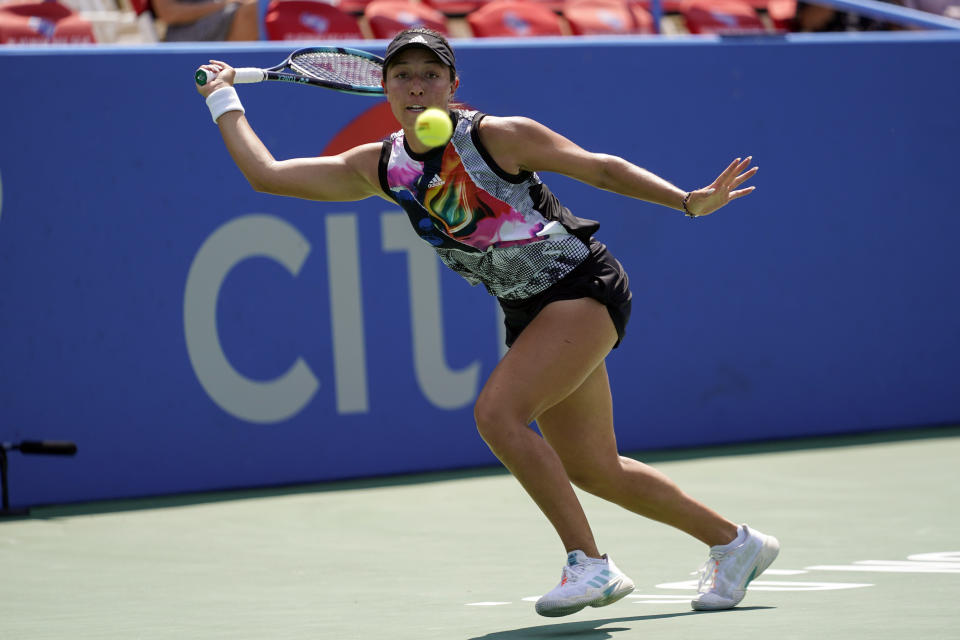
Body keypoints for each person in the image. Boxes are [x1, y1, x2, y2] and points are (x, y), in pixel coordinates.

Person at [195, 28, 780, 617]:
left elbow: (598, 168)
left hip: (580, 287)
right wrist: (225, 100)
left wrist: (685, 199)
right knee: (594, 467)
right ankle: (736, 544)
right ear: (385, 87)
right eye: (403, 75)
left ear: (453, 85)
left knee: (498, 414)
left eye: (431, 75)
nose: (417, 87)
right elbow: (267, 175)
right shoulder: (379, 166)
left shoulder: (499, 136)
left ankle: (589, 563)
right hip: (527, 310)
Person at [152, 0, 259, 42]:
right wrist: (224, 4)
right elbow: (169, 13)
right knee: (253, 12)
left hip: (218, 17)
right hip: (184, 33)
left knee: (266, 7)